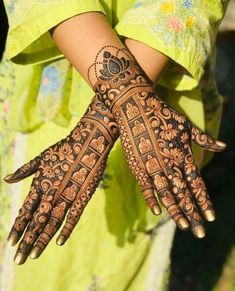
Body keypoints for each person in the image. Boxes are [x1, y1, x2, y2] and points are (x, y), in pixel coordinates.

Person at [0, 1, 229, 290]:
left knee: (138, 218)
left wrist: (102, 122)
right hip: (57, 86)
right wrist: (130, 104)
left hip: (161, 80)